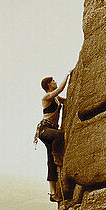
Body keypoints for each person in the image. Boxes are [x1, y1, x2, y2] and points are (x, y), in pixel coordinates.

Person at [36, 71, 69, 202]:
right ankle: (56, 156)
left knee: (51, 164)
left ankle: (53, 194)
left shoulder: (56, 98)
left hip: (51, 130)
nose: (55, 82)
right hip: (45, 130)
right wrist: (68, 75)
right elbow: (60, 89)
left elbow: (66, 101)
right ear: (48, 85)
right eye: (53, 81)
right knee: (59, 135)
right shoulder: (46, 97)